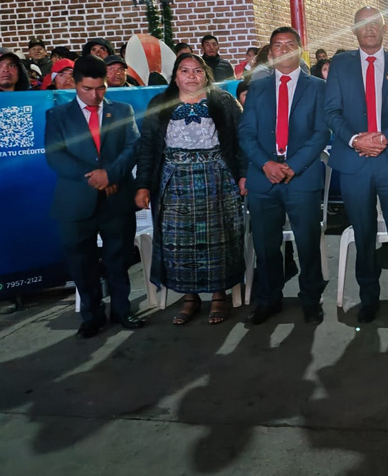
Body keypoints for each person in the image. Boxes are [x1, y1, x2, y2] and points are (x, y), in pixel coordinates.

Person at [135, 53, 245, 325]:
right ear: (175, 76)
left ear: (206, 75)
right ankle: (190, 298)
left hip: (216, 180)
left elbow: (242, 141)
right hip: (174, 181)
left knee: (218, 238)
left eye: (197, 70)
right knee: (179, 243)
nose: (192, 76)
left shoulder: (224, 102)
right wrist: (143, 185)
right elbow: (147, 147)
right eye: (185, 71)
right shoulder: (160, 104)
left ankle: (219, 296)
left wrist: (244, 175)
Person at [324, 6, 388, 326]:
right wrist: (355, 140)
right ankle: (368, 298)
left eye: (374, 23)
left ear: (383, 28)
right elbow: (331, 111)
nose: (369, 29)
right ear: (354, 30)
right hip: (355, 163)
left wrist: (384, 138)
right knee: (363, 233)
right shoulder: (340, 64)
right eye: (362, 24)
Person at [45, 55, 142, 338]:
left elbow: (133, 146)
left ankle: (122, 310)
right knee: (82, 262)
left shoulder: (122, 110)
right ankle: (92, 316)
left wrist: (110, 175)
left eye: (100, 88)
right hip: (75, 202)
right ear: (75, 85)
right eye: (87, 89)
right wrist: (95, 177)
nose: (94, 95)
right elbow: (55, 155)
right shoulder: (58, 115)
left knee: (118, 259)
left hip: (116, 199)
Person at [239, 28, 330, 325]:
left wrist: (293, 166)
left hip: (301, 177)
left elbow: (321, 133)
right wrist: (266, 164)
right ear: (270, 52)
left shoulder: (317, 87)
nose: (284, 49)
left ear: (300, 49)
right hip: (263, 178)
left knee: (307, 242)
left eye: (290, 44)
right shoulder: (257, 88)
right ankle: (269, 299)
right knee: (266, 245)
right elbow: (246, 133)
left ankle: (311, 299)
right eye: (278, 45)